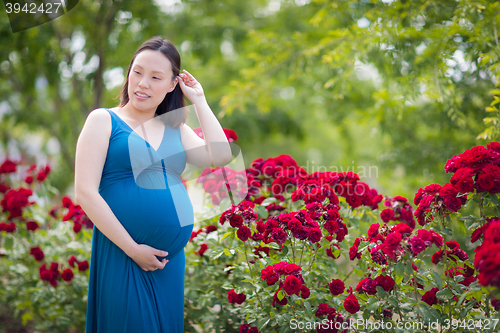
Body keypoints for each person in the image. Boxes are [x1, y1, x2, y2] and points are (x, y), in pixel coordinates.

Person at [75, 36, 232, 333]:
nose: (143, 83)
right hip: (123, 255)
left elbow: (221, 155)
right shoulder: (104, 120)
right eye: (137, 72)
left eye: (155, 77)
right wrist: (133, 249)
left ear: (172, 84)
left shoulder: (176, 128)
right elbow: (85, 191)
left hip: (168, 265)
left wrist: (199, 100)